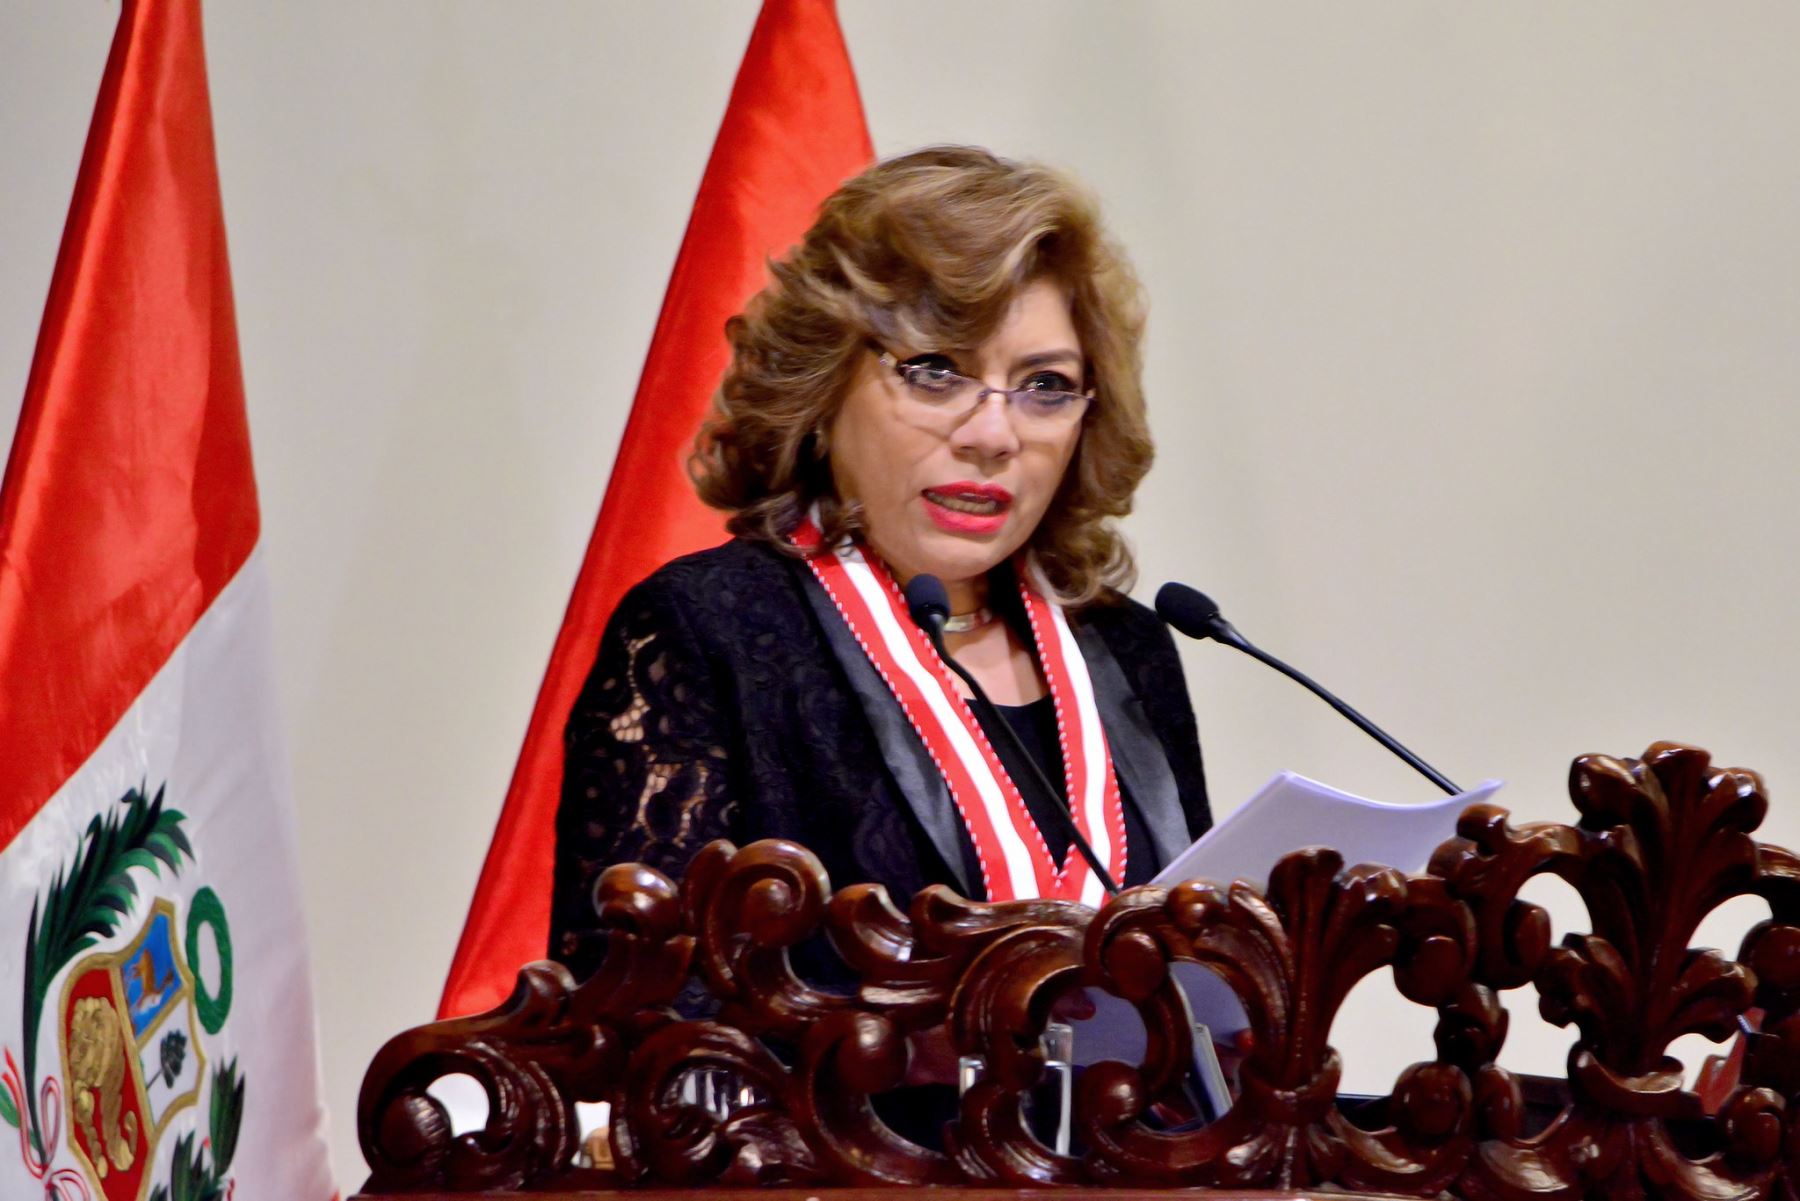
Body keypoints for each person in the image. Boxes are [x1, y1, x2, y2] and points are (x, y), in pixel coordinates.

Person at [550, 146, 1211, 985]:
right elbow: (636, 1015)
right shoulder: (705, 632)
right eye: (936, 372)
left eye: (1045, 385)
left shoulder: (1127, 648)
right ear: (824, 388)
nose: (993, 433)